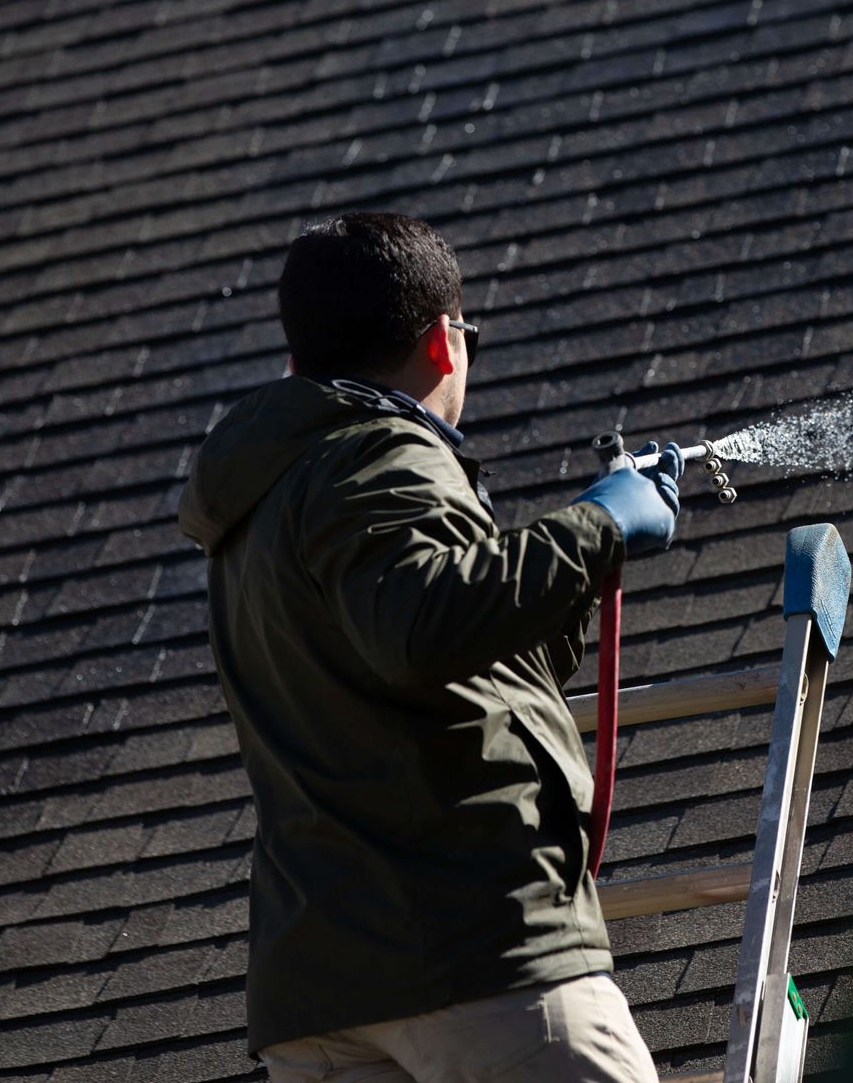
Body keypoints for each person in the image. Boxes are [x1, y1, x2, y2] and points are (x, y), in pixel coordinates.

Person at [177, 211, 685, 1083]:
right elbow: (423, 629)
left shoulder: (261, 507)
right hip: (473, 953)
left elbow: (441, 663)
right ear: (446, 344)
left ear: (298, 362)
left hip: (321, 997)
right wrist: (600, 526)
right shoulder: (380, 454)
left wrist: (563, 577)